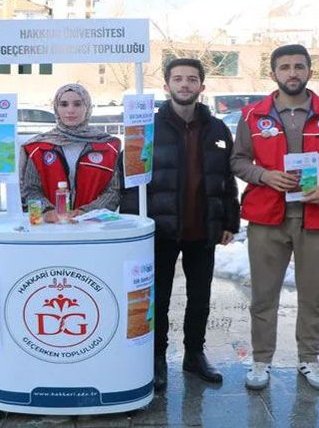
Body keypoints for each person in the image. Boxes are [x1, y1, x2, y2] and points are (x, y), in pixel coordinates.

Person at [231, 44, 319, 391]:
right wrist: (263, 176)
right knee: (264, 294)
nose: (292, 73)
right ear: (273, 74)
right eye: (285, 67)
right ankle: (261, 359)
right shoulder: (253, 115)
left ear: (310, 72)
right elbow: (238, 160)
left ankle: (309, 357)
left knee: (313, 294)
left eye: (299, 66)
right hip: (267, 218)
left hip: (316, 216)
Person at [121, 58, 240, 391]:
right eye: (178, 79)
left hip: (202, 227)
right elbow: (129, 179)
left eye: (191, 79)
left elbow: (226, 178)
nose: (185, 85)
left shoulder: (217, 128)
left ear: (202, 86)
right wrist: (134, 226)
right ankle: (156, 358)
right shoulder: (145, 126)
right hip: (160, 229)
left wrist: (230, 219)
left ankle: (194, 354)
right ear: (166, 86)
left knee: (200, 297)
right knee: (157, 297)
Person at [21, 83, 121, 220]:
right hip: (51, 228)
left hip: (93, 226)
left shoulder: (108, 146)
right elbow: (30, 189)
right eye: (63, 104)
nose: (70, 110)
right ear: (56, 108)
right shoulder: (39, 147)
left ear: (87, 107)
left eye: (77, 104)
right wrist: (47, 211)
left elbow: (113, 191)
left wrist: (85, 212)